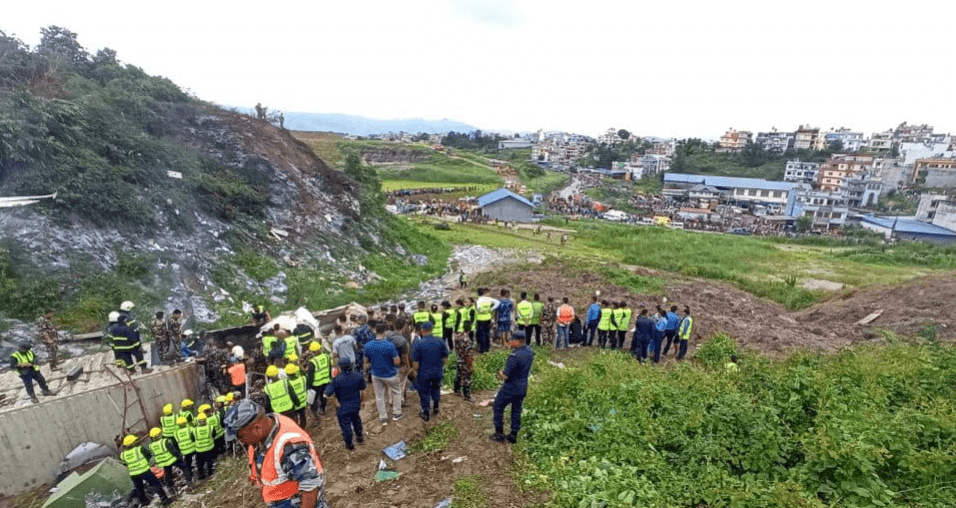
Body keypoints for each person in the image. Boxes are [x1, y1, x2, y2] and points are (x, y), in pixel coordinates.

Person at [223, 399, 328, 508]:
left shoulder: (288, 446)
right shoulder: (268, 425)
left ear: (257, 428)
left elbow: (310, 485)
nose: (241, 442)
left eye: (240, 437)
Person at [490, 331, 534, 444]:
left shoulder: (514, 356)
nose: (509, 342)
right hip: (522, 387)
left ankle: (499, 433)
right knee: (516, 409)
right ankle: (513, 434)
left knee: (498, 406)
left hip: (511, 387)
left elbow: (505, 375)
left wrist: (500, 373)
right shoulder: (529, 352)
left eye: (511, 340)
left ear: (518, 342)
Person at [363, 322, 403, 425]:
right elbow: (396, 361)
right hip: (390, 374)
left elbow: (366, 361)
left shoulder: (368, 345)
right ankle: (397, 413)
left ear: (375, 331)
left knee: (379, 396)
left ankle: (383, 417)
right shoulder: (390, 345)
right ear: (385, 332)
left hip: (376, 374)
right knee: (396, 392)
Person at [325, 357, 366, 451]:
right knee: (356, 420)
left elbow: (326, 395)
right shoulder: (358, 376)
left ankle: (350, 445)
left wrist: (335, 402)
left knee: (346, 426)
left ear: (340, 367)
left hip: (343, 407)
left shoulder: (337, 380)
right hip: (356, 405)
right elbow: (363, 390)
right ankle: (360, 438)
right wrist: (363, 402)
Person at [119, 434, 172, 506]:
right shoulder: (139, 449)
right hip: (144, 471)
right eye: (135, 441)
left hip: (133, 474)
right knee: (156, 484)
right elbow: (149, 455)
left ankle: (144, 503)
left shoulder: (123, 454)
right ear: (132, 443)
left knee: (139, 488)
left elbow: (124, 463)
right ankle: (165, 500)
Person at [411, 322, 449, 422]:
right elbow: (445, 358)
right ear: (432, 330)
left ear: (422, 330)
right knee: (436, 387)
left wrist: (416, 372)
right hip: (437, 371)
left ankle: (426, 412)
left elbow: (415, 363)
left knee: (424, 392)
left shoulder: (418, 344)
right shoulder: (440, 341)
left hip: (424, 372)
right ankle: (436, 406)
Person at [148, 426, 192, 492]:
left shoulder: (150, 446)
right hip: (172, 459)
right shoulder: (165, 441)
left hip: (164, 462)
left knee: (168, 475)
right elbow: (173, 451)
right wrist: (180, 457)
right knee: (184, 467)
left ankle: (171, 488)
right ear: (160, 434)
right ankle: (189, 482)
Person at [453, 318, 477, 402]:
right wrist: (470, 365)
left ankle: (456, 390)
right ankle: (467, 394)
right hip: (465, 361)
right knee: (467, 377)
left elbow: (456, 349)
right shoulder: (468, 342)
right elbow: (469, 356)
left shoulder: (458, 337)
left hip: (459, 359)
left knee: (459, 374)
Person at [306, 342, 333, 417]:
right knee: (323, 396)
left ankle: (315, 412)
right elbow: (330, 367)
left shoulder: (312, 361)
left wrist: (308, 386)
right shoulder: (327, 356)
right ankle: (322, 409)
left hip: (316, 383)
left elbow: (310, 375)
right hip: (326, 380)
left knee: (314, 398)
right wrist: (330, 378)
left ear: (313, 351)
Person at [475, 288, 499, 353]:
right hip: (488, 318)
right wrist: (491, 309)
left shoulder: (479, 300)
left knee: (481, 334)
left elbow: (479, 308)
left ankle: (482, 349)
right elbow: (498, 302)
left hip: (480, 319)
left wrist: (481, 311)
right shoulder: (488, 299)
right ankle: (487, 347)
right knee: (487, 333)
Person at [193, 412, 216, 479]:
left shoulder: (194, 430)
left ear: (198, 421)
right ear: (206, 419)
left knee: (200, 463)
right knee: (209, 461)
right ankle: (210, 473)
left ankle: (201, 475)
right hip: (209, 447)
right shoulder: (210, 427)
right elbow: (214, 435)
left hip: (199, 449)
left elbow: (192, 438)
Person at [286, 363, 309, 428]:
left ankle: (297, 429)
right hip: (303, 402)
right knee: (302, 416)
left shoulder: (287, 383)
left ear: (287, 374)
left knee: (295, 418)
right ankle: (303, 428)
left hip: (294, 404)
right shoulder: (303, 378)